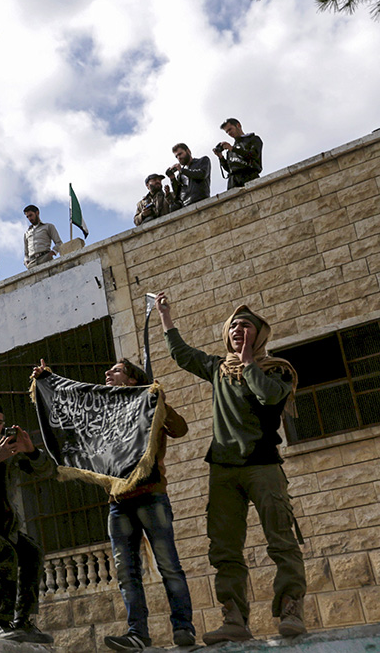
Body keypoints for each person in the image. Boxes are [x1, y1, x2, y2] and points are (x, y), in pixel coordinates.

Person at [156, 293, 305, 644]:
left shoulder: (277, 370)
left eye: (247, 325)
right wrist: (166, 317)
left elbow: (268, 395)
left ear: (260, 334)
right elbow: (182, 354)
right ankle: (234, 617)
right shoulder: (216, 369)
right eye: (233, 326)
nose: (239, 329)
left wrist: (249, 359)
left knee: (281, 539)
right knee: (224, 549)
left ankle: (290, 607)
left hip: (263, 466)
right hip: (223, 469)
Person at [96, 358, 196, 651]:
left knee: (168, 566)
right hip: (118, 502)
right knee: (127, 572)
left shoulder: (151, 404)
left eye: (115, 370)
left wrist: (159, 400)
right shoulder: (104, 412)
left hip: (151, 496)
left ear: (131, 380)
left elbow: (180, 429)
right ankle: (137, 633)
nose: (107, 373)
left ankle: (183, 629)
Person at [0, 395, 55, 644]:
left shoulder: (8, 446)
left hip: (6, 524)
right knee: (5, 556)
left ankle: (23, 622)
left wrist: (31, 451)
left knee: (32, 553)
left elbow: (47, 470)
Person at [216, 119, 263, 189]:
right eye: (227, 132)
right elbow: (229, 169)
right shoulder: (231, 150)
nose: (229, 133)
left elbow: (254, 155)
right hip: (233, 181)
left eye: (230, 129)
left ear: (238, 125)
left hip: (249, 175)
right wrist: (221, 157)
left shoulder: (253, 139)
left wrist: (232, 149)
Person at [166, 143, 211, 208]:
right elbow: (177, 193)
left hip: (201, 200)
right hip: (186, 205)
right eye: (176, 156)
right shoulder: (180, 174)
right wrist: (172, 178)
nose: (179, 158)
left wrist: (182, 170)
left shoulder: (202, 161)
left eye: (180, 154)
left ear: (188, 151)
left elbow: (202, 174)